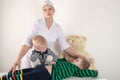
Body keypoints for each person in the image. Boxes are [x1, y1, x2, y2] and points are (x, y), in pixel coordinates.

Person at [11, 0, 85, 71]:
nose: (48, 11)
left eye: (50, 9)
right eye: (45, 10)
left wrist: (78, 55)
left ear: (54, 11)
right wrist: (17, 60)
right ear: (42, 12)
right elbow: (27, 42)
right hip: (31, 58)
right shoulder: (37, 23)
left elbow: (64, 45)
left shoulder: (57, 28)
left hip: (44, 60)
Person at [1, 58, 98, 80]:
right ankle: (6, 76)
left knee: (27, 76)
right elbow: (60, 59)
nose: (74, 60)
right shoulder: (66, 63)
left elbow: (85, 72)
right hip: (43, 67)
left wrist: (94, 73)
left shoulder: (76, 70)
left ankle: (11, 79)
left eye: (77, 60)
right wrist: (56, 61)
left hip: (48, 73)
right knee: (26, 70)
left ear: (80, 67)